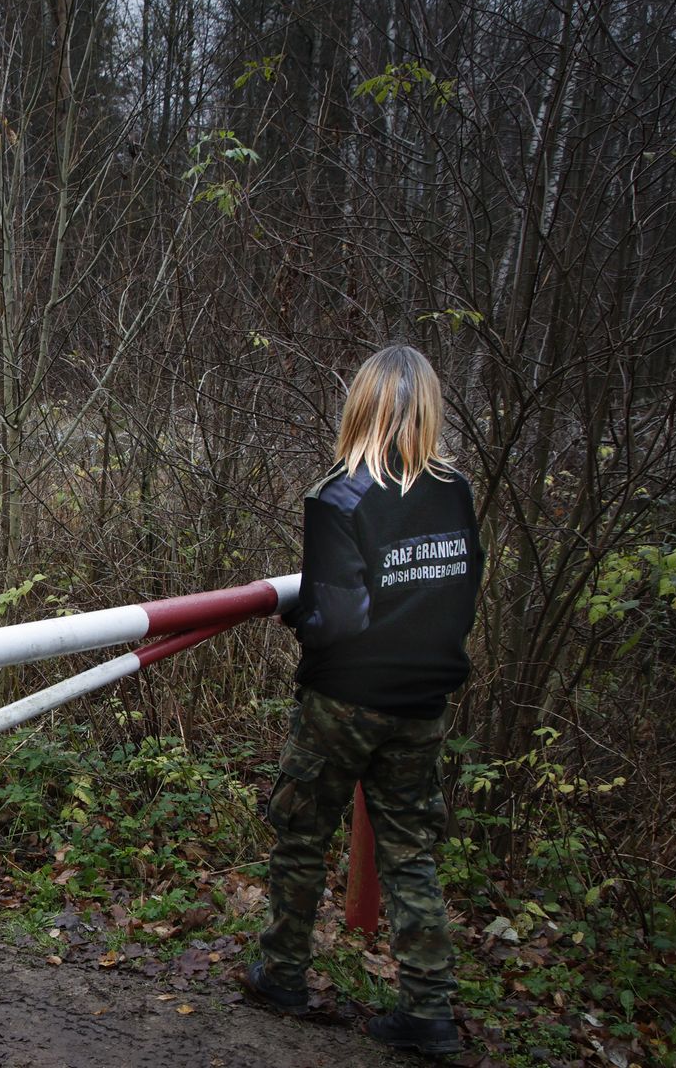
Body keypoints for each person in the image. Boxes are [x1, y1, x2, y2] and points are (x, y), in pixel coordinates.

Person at [238, 344, 481, 1057]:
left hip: (344, 700)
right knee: (411, 853)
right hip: (424, 701)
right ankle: (429, 1011)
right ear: (429, 409)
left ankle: (282, 972)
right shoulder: (456, 491)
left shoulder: (338, 495)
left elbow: (337, 620)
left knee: (302, 831)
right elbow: (457, 597)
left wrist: (300, 613)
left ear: (361, 407)